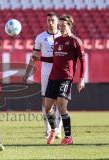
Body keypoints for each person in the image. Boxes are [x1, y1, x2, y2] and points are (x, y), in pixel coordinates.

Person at [33, 14, 86, 145]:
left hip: (66, 78)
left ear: (70, 25)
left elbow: (83, 60)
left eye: (63, 25)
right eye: (60, 25)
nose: (61, 28)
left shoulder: (75, 41)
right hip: (53, 78)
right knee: (47, 107)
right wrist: (40, 59)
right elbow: (55, 59)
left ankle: (68, 137)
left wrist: (81, 78)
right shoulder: (57, 41)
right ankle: (54, 129)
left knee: (61, 105)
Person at [23, 12, 62, 139]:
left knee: (61, 102)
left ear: (58, 22)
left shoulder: (63, 36)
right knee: (46, 102)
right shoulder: (40, 37)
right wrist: (27, 73)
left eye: (53, 21)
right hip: (46, 74)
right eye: (48, 21)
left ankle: (59, 130)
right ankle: (48, 128)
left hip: (62, 73)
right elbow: (34, 57)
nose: (50, 23)